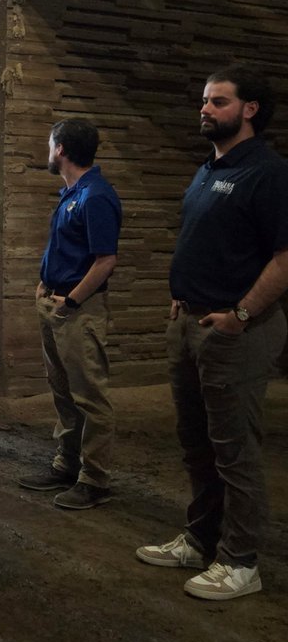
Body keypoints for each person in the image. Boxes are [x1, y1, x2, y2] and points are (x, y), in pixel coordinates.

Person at [137, 67, 288, 601]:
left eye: (218, 101)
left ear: (249, 109)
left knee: (235, 450)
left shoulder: (268, 174)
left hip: (235, 332)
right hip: (190, 322)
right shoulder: (208, 169)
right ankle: (201, 539)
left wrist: (241, 315)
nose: (205, 109)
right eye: (204, 100)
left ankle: (242, 561)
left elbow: (284, 257)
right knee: (197, 444)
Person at [19, 119, 122, 510]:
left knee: (89, 396)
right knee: (63, 392)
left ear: (60, 149)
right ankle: (67, 464)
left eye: (49, 144)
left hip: (77, 311)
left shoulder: (96, 196)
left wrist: (73, 300)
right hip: (56, 303)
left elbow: (105, 260)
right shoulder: (73, 193)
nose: (48, 151)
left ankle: (94, 479)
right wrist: (45, 287)